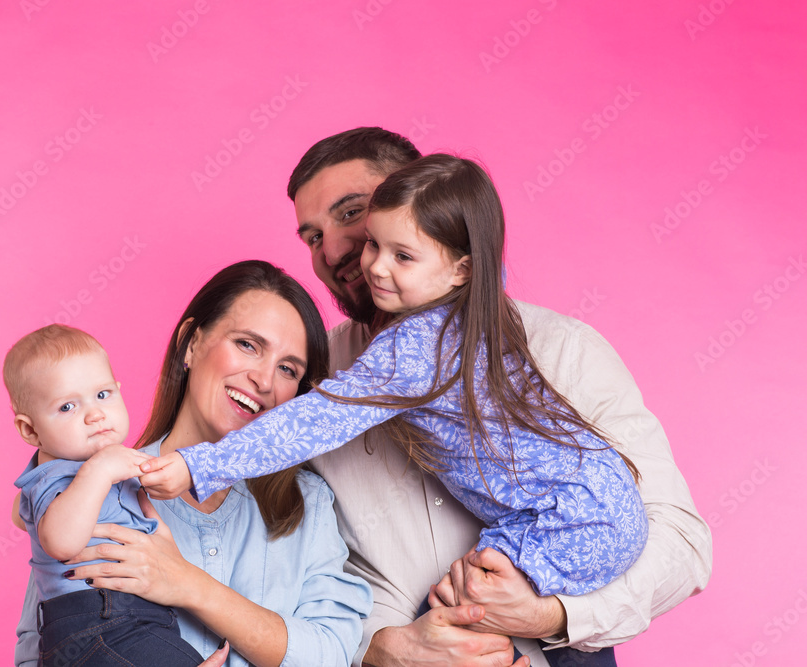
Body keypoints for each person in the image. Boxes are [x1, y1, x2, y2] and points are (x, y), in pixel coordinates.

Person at [274, 127, 712, 667]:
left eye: (350, 214)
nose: (336, 250)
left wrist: (547, 615)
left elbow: (683, 546)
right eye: (312, 236)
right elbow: (286, 559)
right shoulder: (313, 376)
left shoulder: (562, 350)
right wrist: (378, 647)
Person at [141, 155, 650, 606]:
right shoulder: (476, 322)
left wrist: (198, 465)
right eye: (374, 246)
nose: (374, 267)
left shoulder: (414, 346)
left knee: (457, 605)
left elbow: (317, 420)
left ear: (460, 269)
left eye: (401, 256)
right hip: (593, 500)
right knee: (460, 606)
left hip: (569, 519)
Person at [14, 260, 373, 667]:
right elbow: (45, 649)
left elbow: (330, 656)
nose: (265, 381)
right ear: (191, 343)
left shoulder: (308, 506)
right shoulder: (96, 486)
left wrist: (189, 585)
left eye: (288, 369)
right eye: (247, 345)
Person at [7, 324, 204, 666]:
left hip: (130, 618)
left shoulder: (89, 465)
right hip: (96, 623)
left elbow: (19, 515)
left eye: (103, 395)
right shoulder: (59, 474)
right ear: (30, 429)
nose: (95, 414)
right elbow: (59, 542)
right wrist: (99, 470)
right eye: (67, 407)